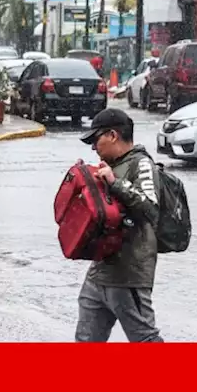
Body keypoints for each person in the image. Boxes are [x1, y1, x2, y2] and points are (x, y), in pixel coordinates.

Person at [75, 108, 164, 343]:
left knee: (145, 339)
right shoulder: (110, 164)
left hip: (129, 273)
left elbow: (151, 209)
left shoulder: (141, 164)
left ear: (113, 135)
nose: (94, 147)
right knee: (86, 340)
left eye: (96, 139)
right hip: (101, 270)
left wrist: (115, 183)